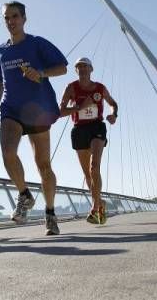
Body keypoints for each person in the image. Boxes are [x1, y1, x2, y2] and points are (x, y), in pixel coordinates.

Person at [0, 1, 68, 236]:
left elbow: (63, 67)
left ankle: (50, 213)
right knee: (7, 153)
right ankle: (25, 195)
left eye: (15, 16)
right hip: (10, 108)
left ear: (24, 18)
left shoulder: (37, 43)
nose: (11, 21)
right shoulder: (0, 51)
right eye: (6, 17)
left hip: (37, 110)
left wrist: (41, 73)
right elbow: (0, 81)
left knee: (43, 165)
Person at [59, 57, 117, 225]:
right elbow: (60, 111)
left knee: (95, 166)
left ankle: (95, 206)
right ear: (76, 71)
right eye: (79, 67)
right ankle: (100, 202)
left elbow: (113, 103)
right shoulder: (71, 88)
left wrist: (114, 114)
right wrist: (79, 107)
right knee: (87, 173)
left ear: (91, 69)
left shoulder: (100, 88)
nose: (82, 69)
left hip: (97, 127)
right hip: (79, 130)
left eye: (85, 66)